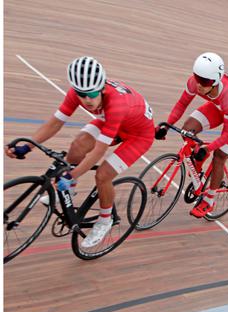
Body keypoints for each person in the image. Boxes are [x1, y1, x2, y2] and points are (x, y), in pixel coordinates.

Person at [5, 56, 155, 248]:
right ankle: (70, 190)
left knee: (103, 175)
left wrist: (72, 173)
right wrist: (28, 146)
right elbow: (55, 122)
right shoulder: (78, 94)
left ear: (101, 88)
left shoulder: (117, 105)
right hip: (112, 123)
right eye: (81, 94)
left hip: (138, 135)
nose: (86, 100)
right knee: (78, 145)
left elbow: (98, 151)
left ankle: (105, 220)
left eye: (91, 94)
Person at [155, 52, 228, 218]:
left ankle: (210, 199)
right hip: (216, 106)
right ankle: (197, 170)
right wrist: (167, 125)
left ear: (215, 81)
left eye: (204, 81)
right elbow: (181, 104)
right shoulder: (195, 83)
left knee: (219, 155)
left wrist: (208, 149)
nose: (199, 84)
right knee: (187, 130)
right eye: (197, 77)